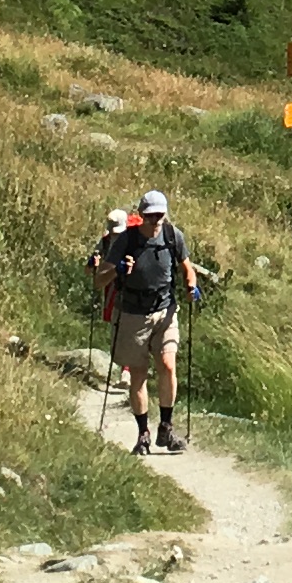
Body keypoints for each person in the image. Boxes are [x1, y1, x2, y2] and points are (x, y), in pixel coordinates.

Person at [108, 189, 199, 451]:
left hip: (166, 310)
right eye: (151, 215)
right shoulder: (126, 241)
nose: (156, 219)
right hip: (133, 314)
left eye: (160, 214)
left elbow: (187, 267)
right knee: (138, 375)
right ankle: (143, 432)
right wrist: (118, 270)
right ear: (141, 215)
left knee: (168, 366)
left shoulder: (172, 235)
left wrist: (191, 286)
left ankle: (166, 429)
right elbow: (100, 279)